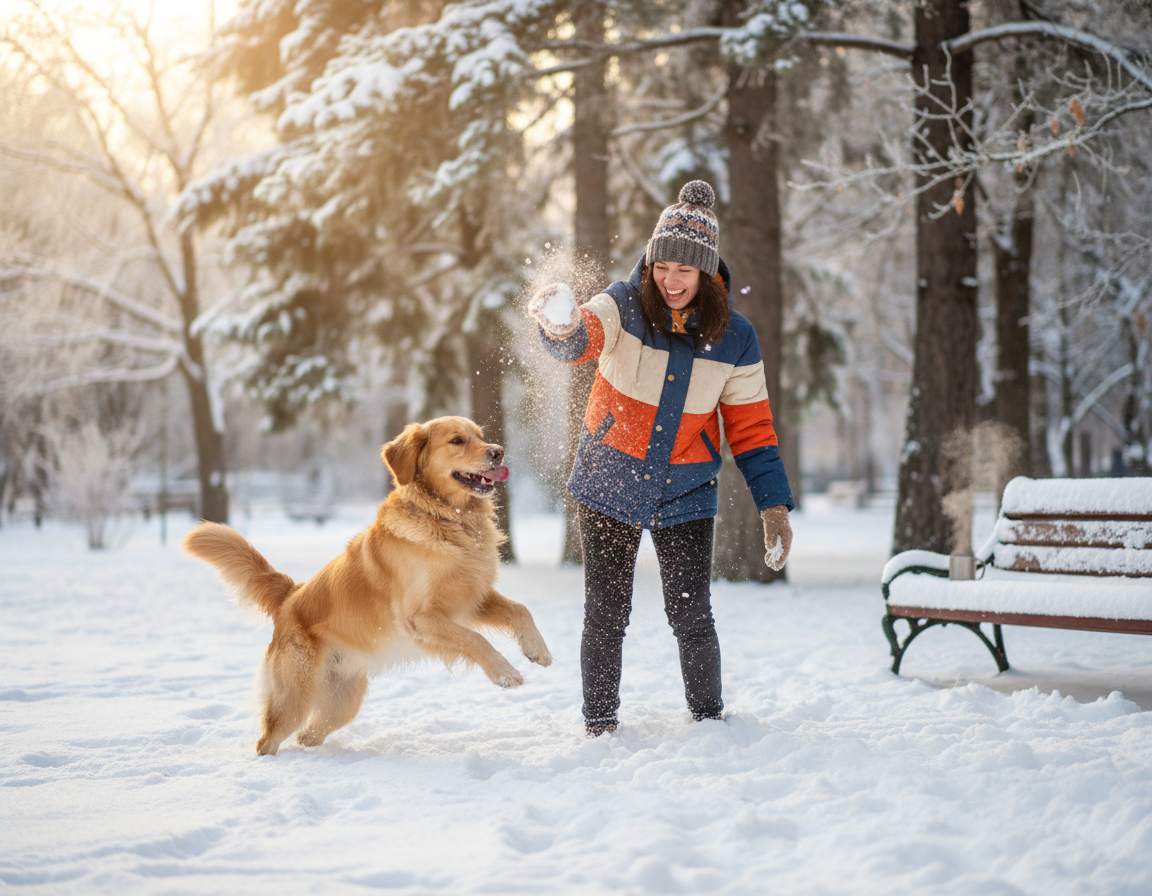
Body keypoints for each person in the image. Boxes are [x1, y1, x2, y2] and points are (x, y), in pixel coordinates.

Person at [528, 180, 794, 736]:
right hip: (609, 478)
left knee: (692, 613)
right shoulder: (623, 304)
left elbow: (751, 430)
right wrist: (562, 326)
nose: (671, 281)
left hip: (686, 487)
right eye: (662, 266)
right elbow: (582, 336)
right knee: (606, 613)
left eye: (684, 270)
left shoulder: (735, 338)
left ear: (707, 272)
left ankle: (710, 722)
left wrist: (774, 506)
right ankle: (599, 726)